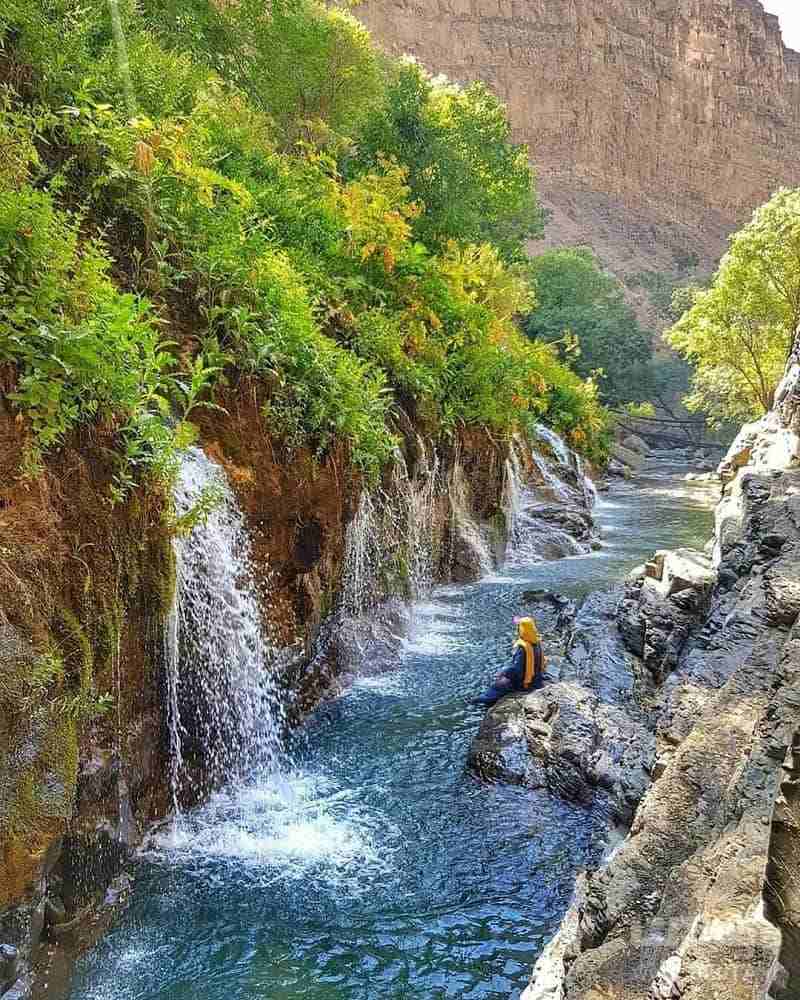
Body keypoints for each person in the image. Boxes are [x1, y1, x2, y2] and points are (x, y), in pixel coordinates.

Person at [472, 617, 545, 706]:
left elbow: (516, 670)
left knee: (498, 685)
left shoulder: (523, 648)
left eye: (519, 628)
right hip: (536, 680)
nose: (517, 630)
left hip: (524, 684)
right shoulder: (536, 642)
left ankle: (476, 700)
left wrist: (503, 673)